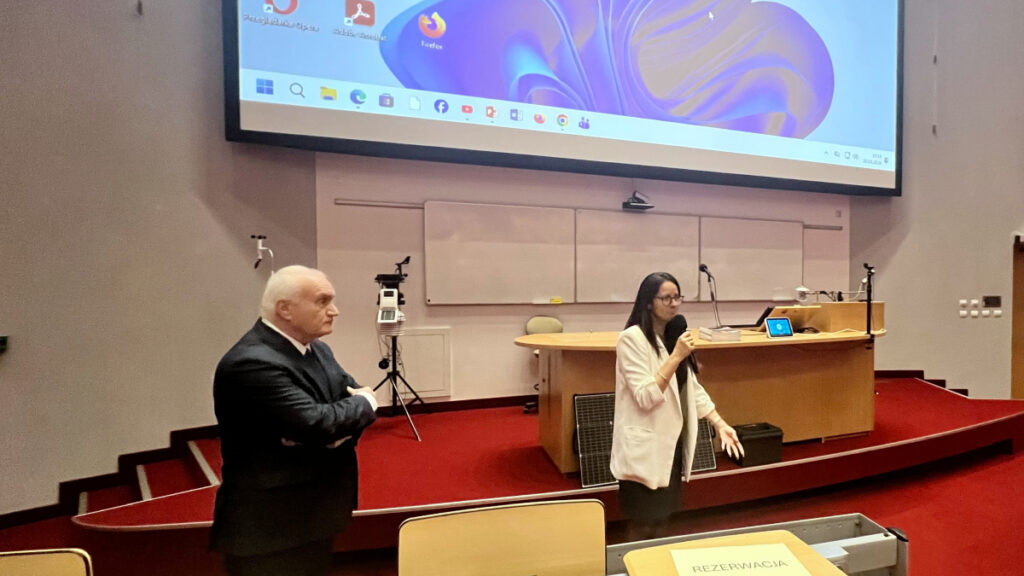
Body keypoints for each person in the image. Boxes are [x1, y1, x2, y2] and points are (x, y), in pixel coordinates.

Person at [210, 265, 379, 576]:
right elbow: (321, 423)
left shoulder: (318, 350)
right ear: (285, 309)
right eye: (322, 301)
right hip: (270, 529)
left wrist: (335, 428)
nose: (335, 311)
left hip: (315, 514)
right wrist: (361, 405)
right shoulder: (252, 362)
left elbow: (338, 412)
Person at [610, 272, 744, 540]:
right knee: (643, 523)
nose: (673, 304)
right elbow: (646, 396)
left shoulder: (673, 336)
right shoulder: (632, 339)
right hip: (644, 447)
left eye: (677, 297)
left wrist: (720, 423)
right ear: (649, 302)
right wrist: (676, 356)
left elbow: (690, 387)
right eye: (666, 298)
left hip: (670, 446)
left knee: (663, 521)